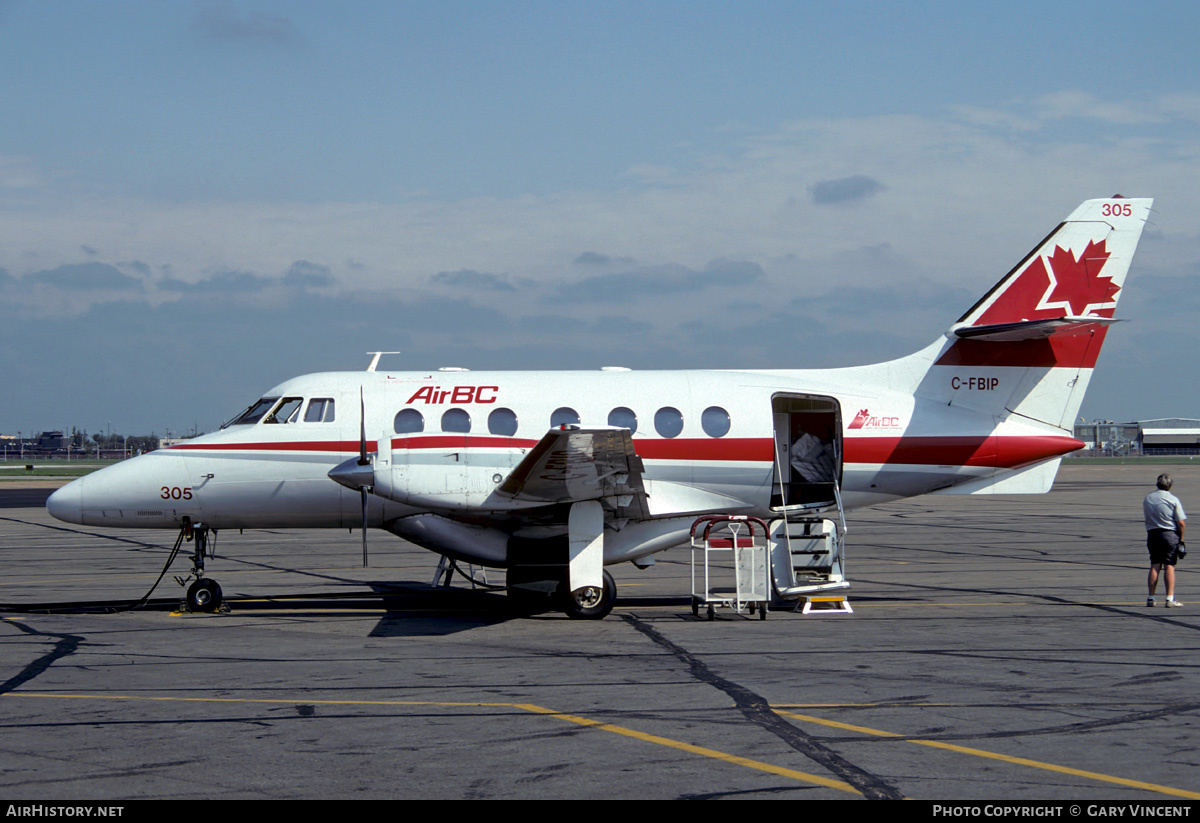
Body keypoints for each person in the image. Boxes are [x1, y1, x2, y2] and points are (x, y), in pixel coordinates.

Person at [1144, 473, 1186, 607]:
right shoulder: (1173, 499)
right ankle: (1169, 598)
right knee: (1169, 566)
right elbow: (1181, 523)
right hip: (1169, 534)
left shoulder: (1148, 498)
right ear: (1170, 485)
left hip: (1153, 534)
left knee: (1155, 565)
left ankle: (1151, 597)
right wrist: (1182, 539)